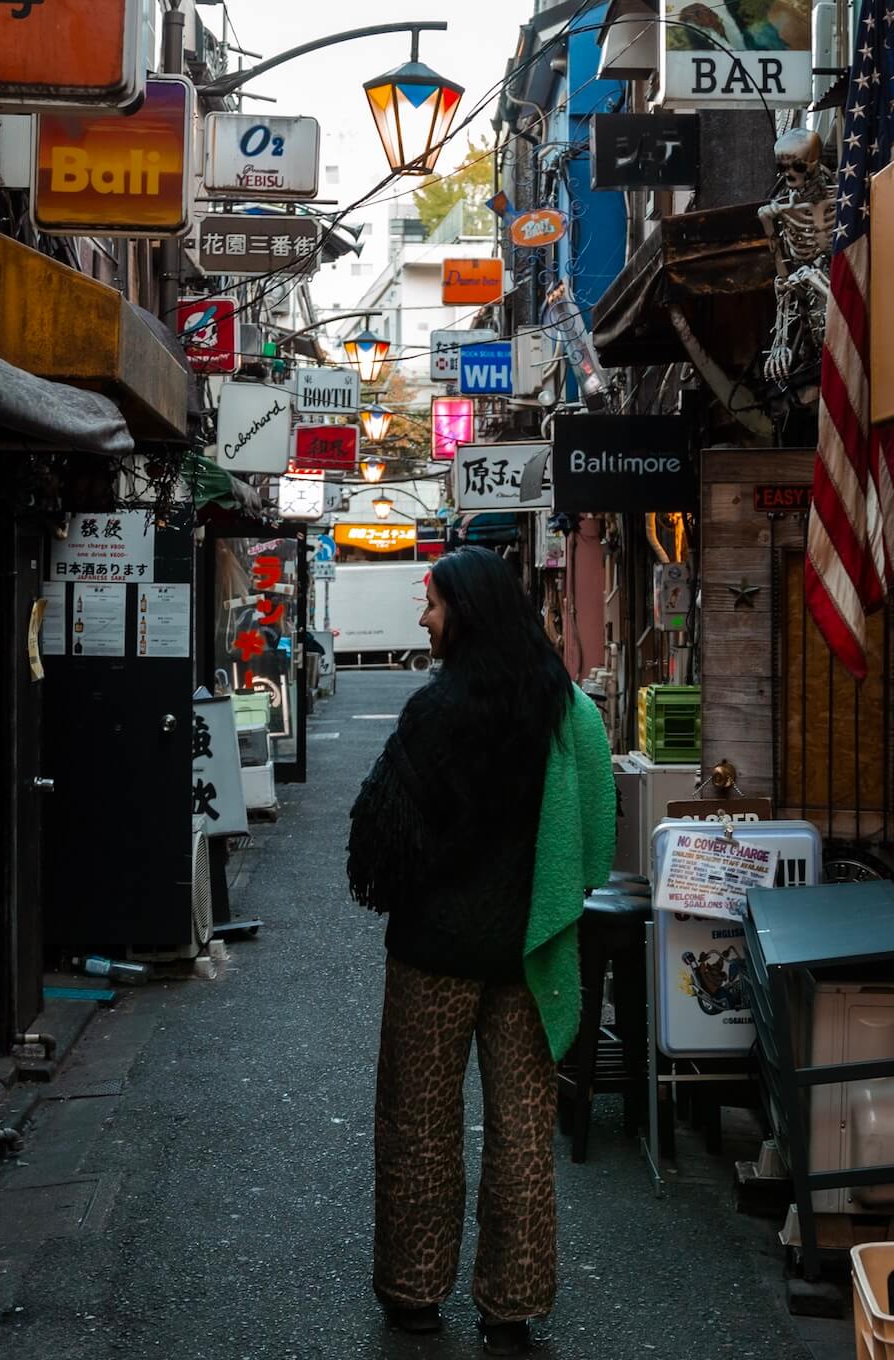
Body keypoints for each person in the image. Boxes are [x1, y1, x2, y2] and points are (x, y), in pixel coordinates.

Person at [346, 546, 615, 1356]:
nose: (424, 620)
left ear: (463, 611)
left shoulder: (435, 714)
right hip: (528, 952)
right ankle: (512, 1306)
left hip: (434, 952)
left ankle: (417, 1295)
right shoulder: (570, 713)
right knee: (525, 1128)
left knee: (420, 1125)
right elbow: (597, 838)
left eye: (431, 604)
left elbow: (376, 847)